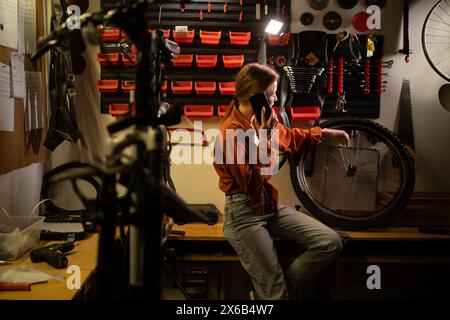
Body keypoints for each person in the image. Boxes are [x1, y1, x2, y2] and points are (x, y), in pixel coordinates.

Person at [213, 63, 350, 300]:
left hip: (267, 206)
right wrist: (265, 138)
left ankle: (269, 291)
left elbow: (287, 136)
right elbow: (251, 184)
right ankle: (273, 292)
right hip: (243, 215)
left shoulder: (260, 120)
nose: (276, 97)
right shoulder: (230, 133)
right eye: (272, 93)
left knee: (330, 243)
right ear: (255, 96)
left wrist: (323, 134)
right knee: (276, 294)